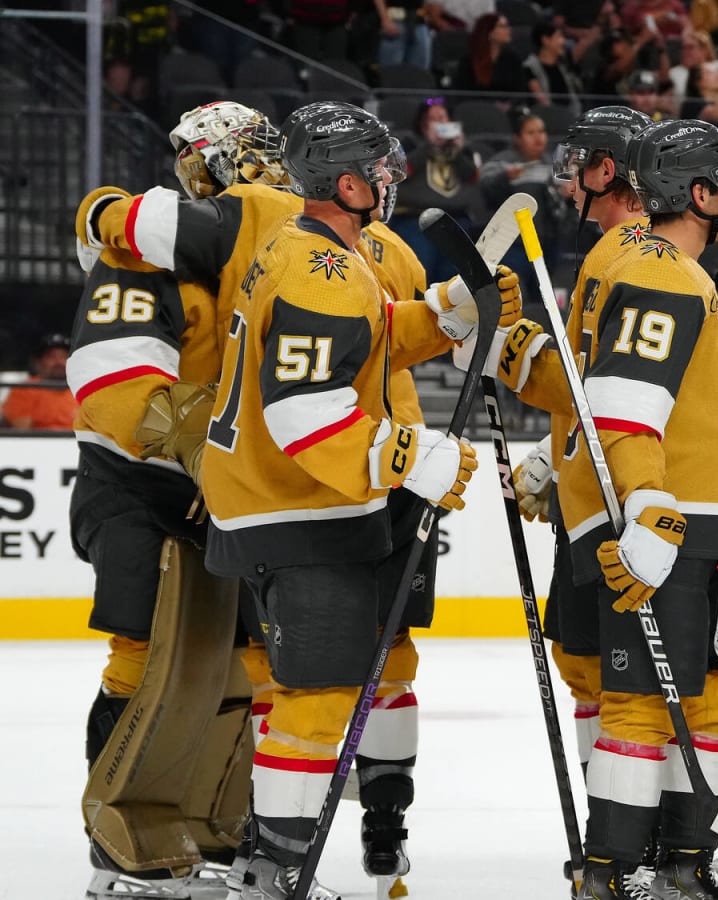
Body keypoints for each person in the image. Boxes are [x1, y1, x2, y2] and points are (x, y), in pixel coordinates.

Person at [190, 102, 498, 899]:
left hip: (271, 506)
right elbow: (303, 407)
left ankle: (269, 858)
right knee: (319, 700)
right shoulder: (318, 267)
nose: (394, 179)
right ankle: (275, 877)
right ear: (349, 181)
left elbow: (367, 336)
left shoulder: (322, 251)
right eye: (383, 168)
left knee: (305, 694)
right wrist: (404, 455)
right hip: (297, 511)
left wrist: (441, 318)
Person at [495, 117, 718, 899]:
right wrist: (649, 504)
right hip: (672, 510)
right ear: (700, 193)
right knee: (648, 704)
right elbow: (622, 403)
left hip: (639, 504)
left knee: (697, 698)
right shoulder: (666, 271)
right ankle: (618, 872)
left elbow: (589, 389)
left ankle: (670, 864)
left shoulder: (622, 258)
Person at [68, 100, 297, 900]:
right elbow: (111, 379)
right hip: (138, 486)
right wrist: (197, 444)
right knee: (145, 659)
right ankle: (117, 838)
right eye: (250, 156)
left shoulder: (272, 258)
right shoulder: (140, 252)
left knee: (257, 669)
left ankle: (222, 825)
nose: (266, 173)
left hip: (226, 494)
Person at [502, 104, 653, 892]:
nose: (569, 178)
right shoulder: (605, 256)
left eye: (582, 163)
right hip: (586, 498)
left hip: (629, 509)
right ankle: (612, 829)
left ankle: (650, 839)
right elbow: (589, 394)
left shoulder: (634, 256)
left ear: (608, 172)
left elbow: (611, 392)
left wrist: (510, 345)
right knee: (589, 671)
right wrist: (550, 459)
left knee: (641, 686)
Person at [391, 97, 484, 282]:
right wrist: (429, 145)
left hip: (455, 218)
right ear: (423, 124)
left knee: (454, 278)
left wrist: (457, 151)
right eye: (435, 119)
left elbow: (473, 178)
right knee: (421, 272)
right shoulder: (409, 143)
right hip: (414, 218)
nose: (441, 123)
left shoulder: (462, 149)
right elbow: (399, 172)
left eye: (444, 118)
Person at [2, 333, 76, 430]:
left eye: (64, 356)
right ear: (38, 363)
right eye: (51, 357)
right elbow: (23, 432)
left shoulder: (85, 390)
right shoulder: (25, 390)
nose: (59, 362)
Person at [454, 13, 535, 93]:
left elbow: (520, 92)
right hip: (476, 105)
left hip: (508, 105)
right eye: (503, 26)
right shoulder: (468, 61)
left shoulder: (512, 60)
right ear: (489, 32)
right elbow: (462, 93)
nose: (509, 29)